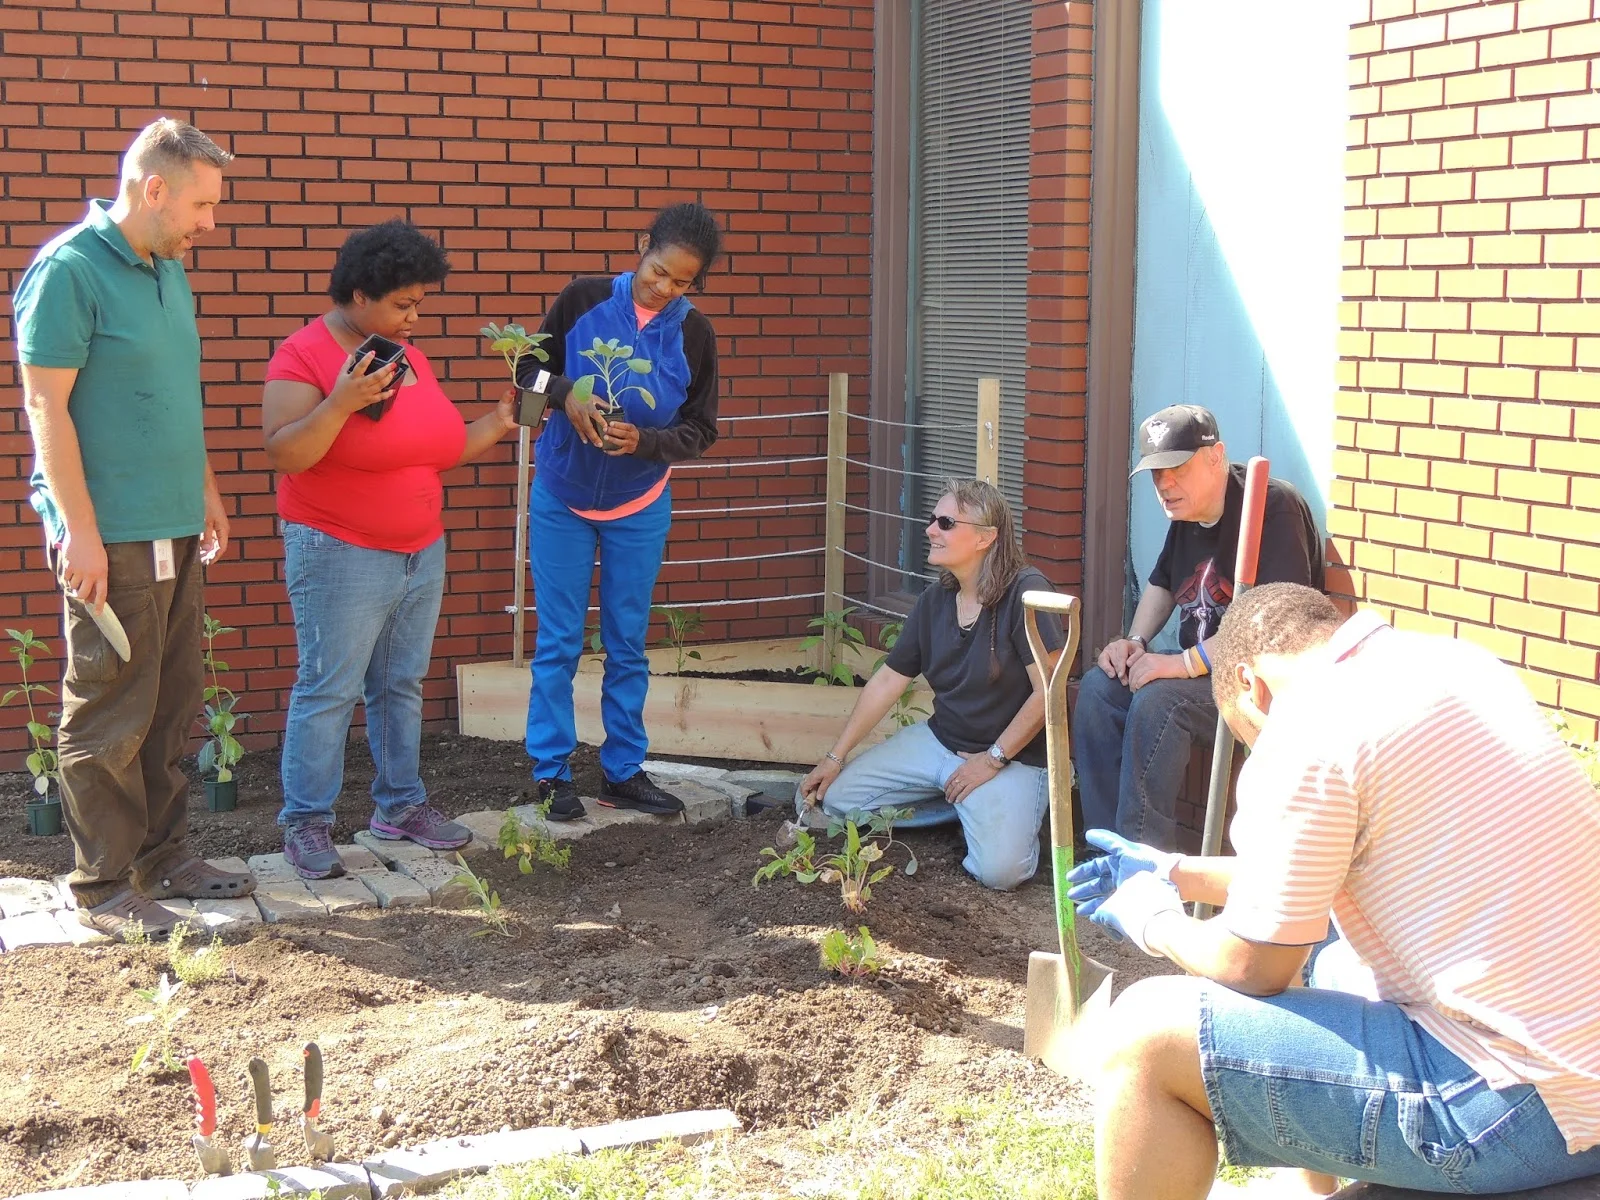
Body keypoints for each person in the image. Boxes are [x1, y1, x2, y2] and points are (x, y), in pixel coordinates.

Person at [1068, 583, 1600, 1199]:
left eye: (1246, 736)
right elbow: (1305, 872)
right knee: (1338, 962)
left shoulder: (1305, 728)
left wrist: (1154, 920)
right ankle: (1310, 1190)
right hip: (1576, 1064)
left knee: (1145, 1034)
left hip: (1527, 1107)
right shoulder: (1458, 665)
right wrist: (1178, 870)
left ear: (1250, 686)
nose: (1256, 748)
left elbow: (1254, 964)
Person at [12, 119, 255, 938]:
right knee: (112, 710)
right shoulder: (69, 271)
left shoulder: (166, 270)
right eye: (202, 205)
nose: (209, 223)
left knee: (171, 700)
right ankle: (103, 885)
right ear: (154, 189)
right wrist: (78, 530)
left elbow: (175, 392)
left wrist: (205, 489)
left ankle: (162, 857)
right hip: (110, 534)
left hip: (174, 523)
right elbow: (46, 406)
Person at [261, 220, 521, 879]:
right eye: (404, 304)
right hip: (339, 550)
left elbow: (437, 449)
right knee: (329, 688)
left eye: (419, 303)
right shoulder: (303, 355)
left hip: (419, 551)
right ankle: (306, 824)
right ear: (359, 295)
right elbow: (284, 452)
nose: (415, 317)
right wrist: (340, 403)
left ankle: (400, 806)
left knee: (398, 683)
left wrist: (498, 422)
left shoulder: (406, 357)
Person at [519, 202, 723, 820]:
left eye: (682, 282)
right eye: (659, 271)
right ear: (642, 246)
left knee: (627, 643)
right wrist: (565, 394)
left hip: (639, 504)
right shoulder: (581, 300)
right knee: (558, 641)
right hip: (562, 496)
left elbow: (701, 429)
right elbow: (527, 370)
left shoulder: (695, 334)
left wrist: (647, 442)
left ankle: (624, 771)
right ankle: (551, 772)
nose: (665, 288)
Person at [1071, 404, 1323, 852]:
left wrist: (1179, 665)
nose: (1165, 485)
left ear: (1215, 456)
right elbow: (1162, 583)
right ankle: (1108, 853)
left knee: (1157, 702)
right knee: (1097, 689)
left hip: (1255, 684)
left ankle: (1146, 867)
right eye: (1156, 474)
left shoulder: (1270, 507)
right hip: (1200, 674)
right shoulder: (1187, 514)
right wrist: (1134, 642)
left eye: (1177, 469)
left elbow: (1273, 630)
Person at [794, 480, 1065, 891]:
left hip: (1010, 757)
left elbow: (1049, 691)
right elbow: (889, 680)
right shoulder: (936, 599)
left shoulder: (1027, 593)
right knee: (839, 800)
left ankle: (989, 809)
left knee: (1000, 873)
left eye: (946, 523)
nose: (930, 530)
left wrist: (993, 759)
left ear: (985, 537)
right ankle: (962, 805)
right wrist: (835, 756)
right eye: (933, 519)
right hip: (940, 742)